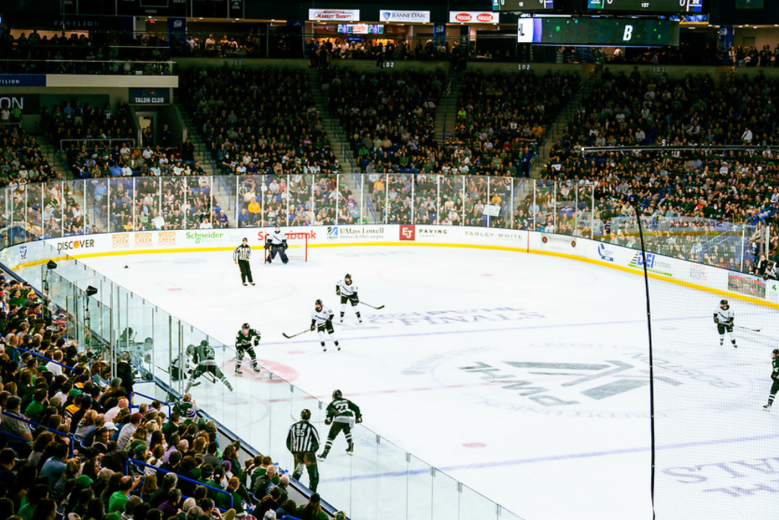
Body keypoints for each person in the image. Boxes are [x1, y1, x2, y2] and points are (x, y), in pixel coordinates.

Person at [318, 390, 362, 460]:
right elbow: (356, 408)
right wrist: (358, 417)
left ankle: (324, 455)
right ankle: (350, 448)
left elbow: (329, 418)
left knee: (331, 437)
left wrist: (328, 421)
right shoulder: (347, 401)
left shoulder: (332, 404)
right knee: (347, 432)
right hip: (349, 419)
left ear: (334, 396)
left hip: (339, 419)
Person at [286, 409, 320, 492]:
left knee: (297, 473)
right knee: (314, 476)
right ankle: (312, 494)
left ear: (301, 416)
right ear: (309, 417)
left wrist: (293, 452)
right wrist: (313, 451)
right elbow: (317, 442)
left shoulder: (293, 427)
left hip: (298, 453)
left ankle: (292, 490)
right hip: (309, 454)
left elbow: (288, 441)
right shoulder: (311, 428)